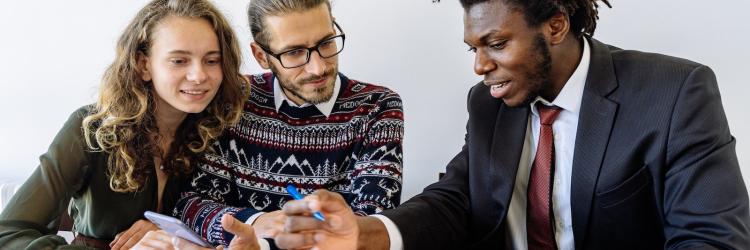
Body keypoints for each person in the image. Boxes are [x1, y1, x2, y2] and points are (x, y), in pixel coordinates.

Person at [276, 0, 750, 249]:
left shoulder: (674, 92)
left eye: (496, 43)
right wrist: (364, 234)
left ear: (556, 26)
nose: (480, 66)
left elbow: (711, 239)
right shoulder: (488, 105)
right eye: (473, 48)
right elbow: (456, 201)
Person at [0, 0, 246, 249]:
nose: (199, 75)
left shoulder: (222, 130)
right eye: (179, 61)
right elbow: (8, 234)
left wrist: (170, 227)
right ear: (143, 65)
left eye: (212, 61)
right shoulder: (90, 129)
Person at [169, 0, 405, 247]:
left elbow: (374, 224)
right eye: (294, 52)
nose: (319, 67)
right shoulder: (233, 98)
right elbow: (191, 203)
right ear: (261, 56)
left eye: (326, 43)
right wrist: (255, 222)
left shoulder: (377, 106)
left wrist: (262, 244)